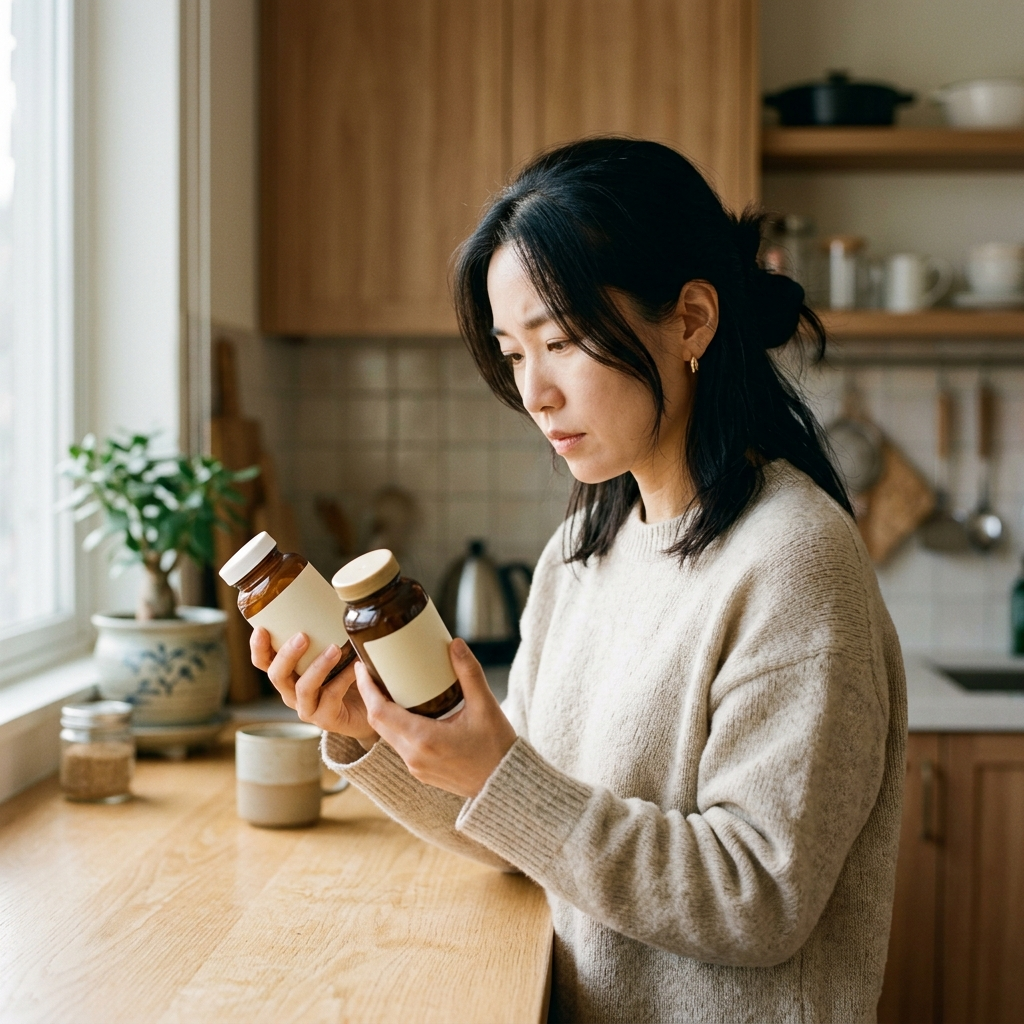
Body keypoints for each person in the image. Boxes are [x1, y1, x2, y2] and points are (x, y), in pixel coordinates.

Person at [251, 138, 907, 1024]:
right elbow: (529, 833)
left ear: (692, 321)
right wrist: (371, 733)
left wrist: (503, 775)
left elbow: (761, 898)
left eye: (560, 341)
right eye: (514, 354)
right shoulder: (582, 552)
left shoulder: (793, 559)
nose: (537, 393)